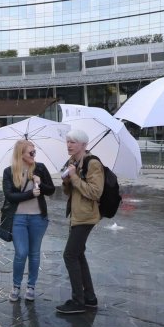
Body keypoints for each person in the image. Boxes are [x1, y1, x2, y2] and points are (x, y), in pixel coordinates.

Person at [56, 129, 104, 314]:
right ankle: (89, 298)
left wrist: (74, 177)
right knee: (78, 255)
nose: (69, 145)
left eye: (73, 142)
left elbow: (95, 192)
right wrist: (67, 180)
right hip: (76, 214)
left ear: (83, 145)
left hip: (86, 216)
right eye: (68, 141)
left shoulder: (93, 164)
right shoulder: (72, 162)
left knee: (69, 255)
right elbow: (69, 192)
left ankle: (78, 301)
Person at [2, 139, 55, 302]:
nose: (34, 154)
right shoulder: (9, 171)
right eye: (31, 152)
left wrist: (40, 183)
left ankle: (31, 287)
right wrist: (30, 194)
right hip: (18, 218)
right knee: (21, 253)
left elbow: (51, 190)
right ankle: (16, 286)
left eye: (34, 152)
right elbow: (9, 195)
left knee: (34, 253)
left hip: (38, 218)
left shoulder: (40, 168)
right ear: (21, 154)